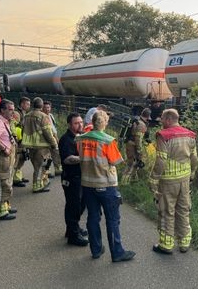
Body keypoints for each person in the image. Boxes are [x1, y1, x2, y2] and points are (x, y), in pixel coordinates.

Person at [76, 110, 135, 262]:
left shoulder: (81, 139)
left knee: (93, 217)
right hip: (106, 185)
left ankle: (96, 250)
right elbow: (116, 161)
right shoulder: (108, 141)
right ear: (105, 122)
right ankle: (117, 252)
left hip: (87, 184)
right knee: (112, 219)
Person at [148, 108, 198, 254]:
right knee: (183, 210)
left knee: (166, 211)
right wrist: (192, 173)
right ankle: (184, 242)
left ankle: (166, 244)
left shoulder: (163, 136)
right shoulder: (190, 135)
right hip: (185, 179)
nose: (160, 121)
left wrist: (153, 179)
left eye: (162, 119)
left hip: (168, 181)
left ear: (169, 119)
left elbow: (161, 161)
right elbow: (194, 158)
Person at [59, 112, 89, 247]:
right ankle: (73, 235)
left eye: (81, 122)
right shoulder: (66, 139)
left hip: (80, 177)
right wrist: (85, 158)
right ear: (70, 125)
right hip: (71, 178)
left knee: (80, 204)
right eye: (76, 123)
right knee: (73, 206)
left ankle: (72, 228)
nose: (80, 125)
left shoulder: (79, 137)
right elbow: (67, 159)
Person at [22, 97, 58, 193]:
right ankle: (37, 186)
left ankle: (40, 183)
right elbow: (47, 132)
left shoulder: (27, 115)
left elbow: (23, 129)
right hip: (41, 146)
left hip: (30, 145)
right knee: (39, 167)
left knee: (36, 166)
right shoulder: (43, 116)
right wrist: (54, 144)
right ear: (42, 106)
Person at [123, 108, 151, 180]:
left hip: (130, 144)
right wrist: (139, 150)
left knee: (134, 163)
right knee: (131, 163)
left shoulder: (137, 120)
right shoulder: (141, 125)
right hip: (133, 145)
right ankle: (125, 181)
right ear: (148, 117)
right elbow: (138, 139)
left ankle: (133, 179)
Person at [12, 96, 31, 187]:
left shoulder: (23, 113)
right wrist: (18, 141)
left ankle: (18, 176)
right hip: (19, 141)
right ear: (22, 104)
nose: (29, 106)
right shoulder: (17, 113)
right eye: (27, 104)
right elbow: (15, 128)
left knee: (23, 158)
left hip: (23, 140)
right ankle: (14, 179)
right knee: (17, 159)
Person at [43, 101, 62, 178]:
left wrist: (56, 137)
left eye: (48, 107)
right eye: (44, 108)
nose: (46, 109)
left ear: (50, 108)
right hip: (46, 139)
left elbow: (54, 128)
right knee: (47, 156)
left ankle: (57, 169)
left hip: (53, 137)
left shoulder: (51, 116)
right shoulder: (42, 117)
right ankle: (46, 171)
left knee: (56, 154)